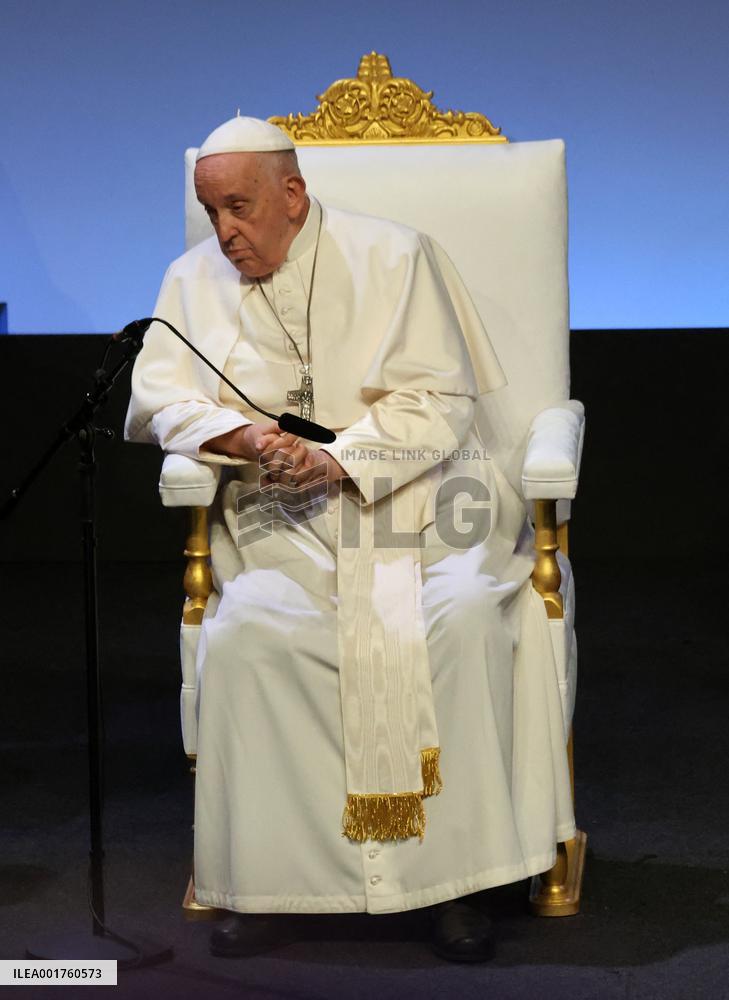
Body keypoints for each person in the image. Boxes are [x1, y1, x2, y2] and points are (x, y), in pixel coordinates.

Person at [124, 116, 575, 962]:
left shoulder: (397, 256)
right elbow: (156, 402)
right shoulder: (190, 280)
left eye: (240, 208)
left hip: (423, 504)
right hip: (281, 521)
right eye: (212, 211)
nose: (225, 233)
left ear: (291, 195)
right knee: (256, 634)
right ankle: (267, 884)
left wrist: (339, 459)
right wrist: (250, 440)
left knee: (464, 619)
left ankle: (461, 884)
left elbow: (441, 403)